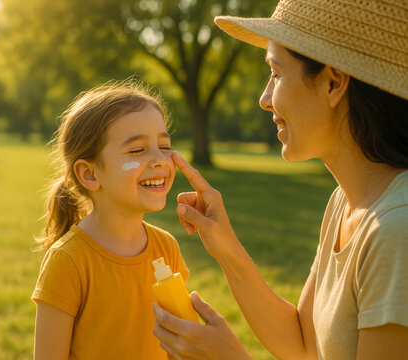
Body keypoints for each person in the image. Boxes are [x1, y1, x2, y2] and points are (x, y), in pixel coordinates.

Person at [152, 0, 408, 359]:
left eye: (275, 72)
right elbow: (303, 340)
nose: (264, 99)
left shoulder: (397, 231)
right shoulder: (345, 202)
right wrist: (223, 244)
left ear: (333, 83)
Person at [32, 80, 190, 360]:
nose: (159, 160)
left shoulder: (167, 248)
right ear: (90, 174)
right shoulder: (68, 261)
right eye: (137, 150)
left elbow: (179, 347)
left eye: (164, 146)